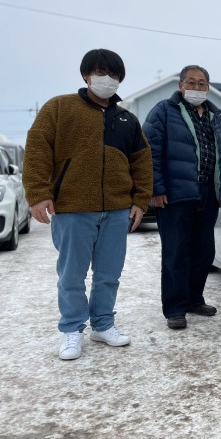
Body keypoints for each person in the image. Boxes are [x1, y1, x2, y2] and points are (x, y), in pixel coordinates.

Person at [23, 49, 153, 360]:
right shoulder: (59, 108)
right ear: (86, 75)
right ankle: (71, 329)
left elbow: (142, 161)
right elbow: (38, 148)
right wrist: (39, 192)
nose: (107, 79)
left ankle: (103, 324)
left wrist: (139, 200)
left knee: (109, 273)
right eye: (100, 72)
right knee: (72, 274)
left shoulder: (126, 119)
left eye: (113, 74)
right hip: (72, 208)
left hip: (117, 210)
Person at [143, 65, 221, 330]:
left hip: (207, 193)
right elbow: (151, 151)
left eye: (202, 83)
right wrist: (156, 189)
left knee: (204, 251)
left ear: (208, 87)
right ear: (181, 85)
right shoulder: (163, 111)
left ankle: (194, 299)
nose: (197, 88)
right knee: (176, 252)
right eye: (191, 82)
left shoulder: (216, 117)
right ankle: (175, 307)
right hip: (175, 195)